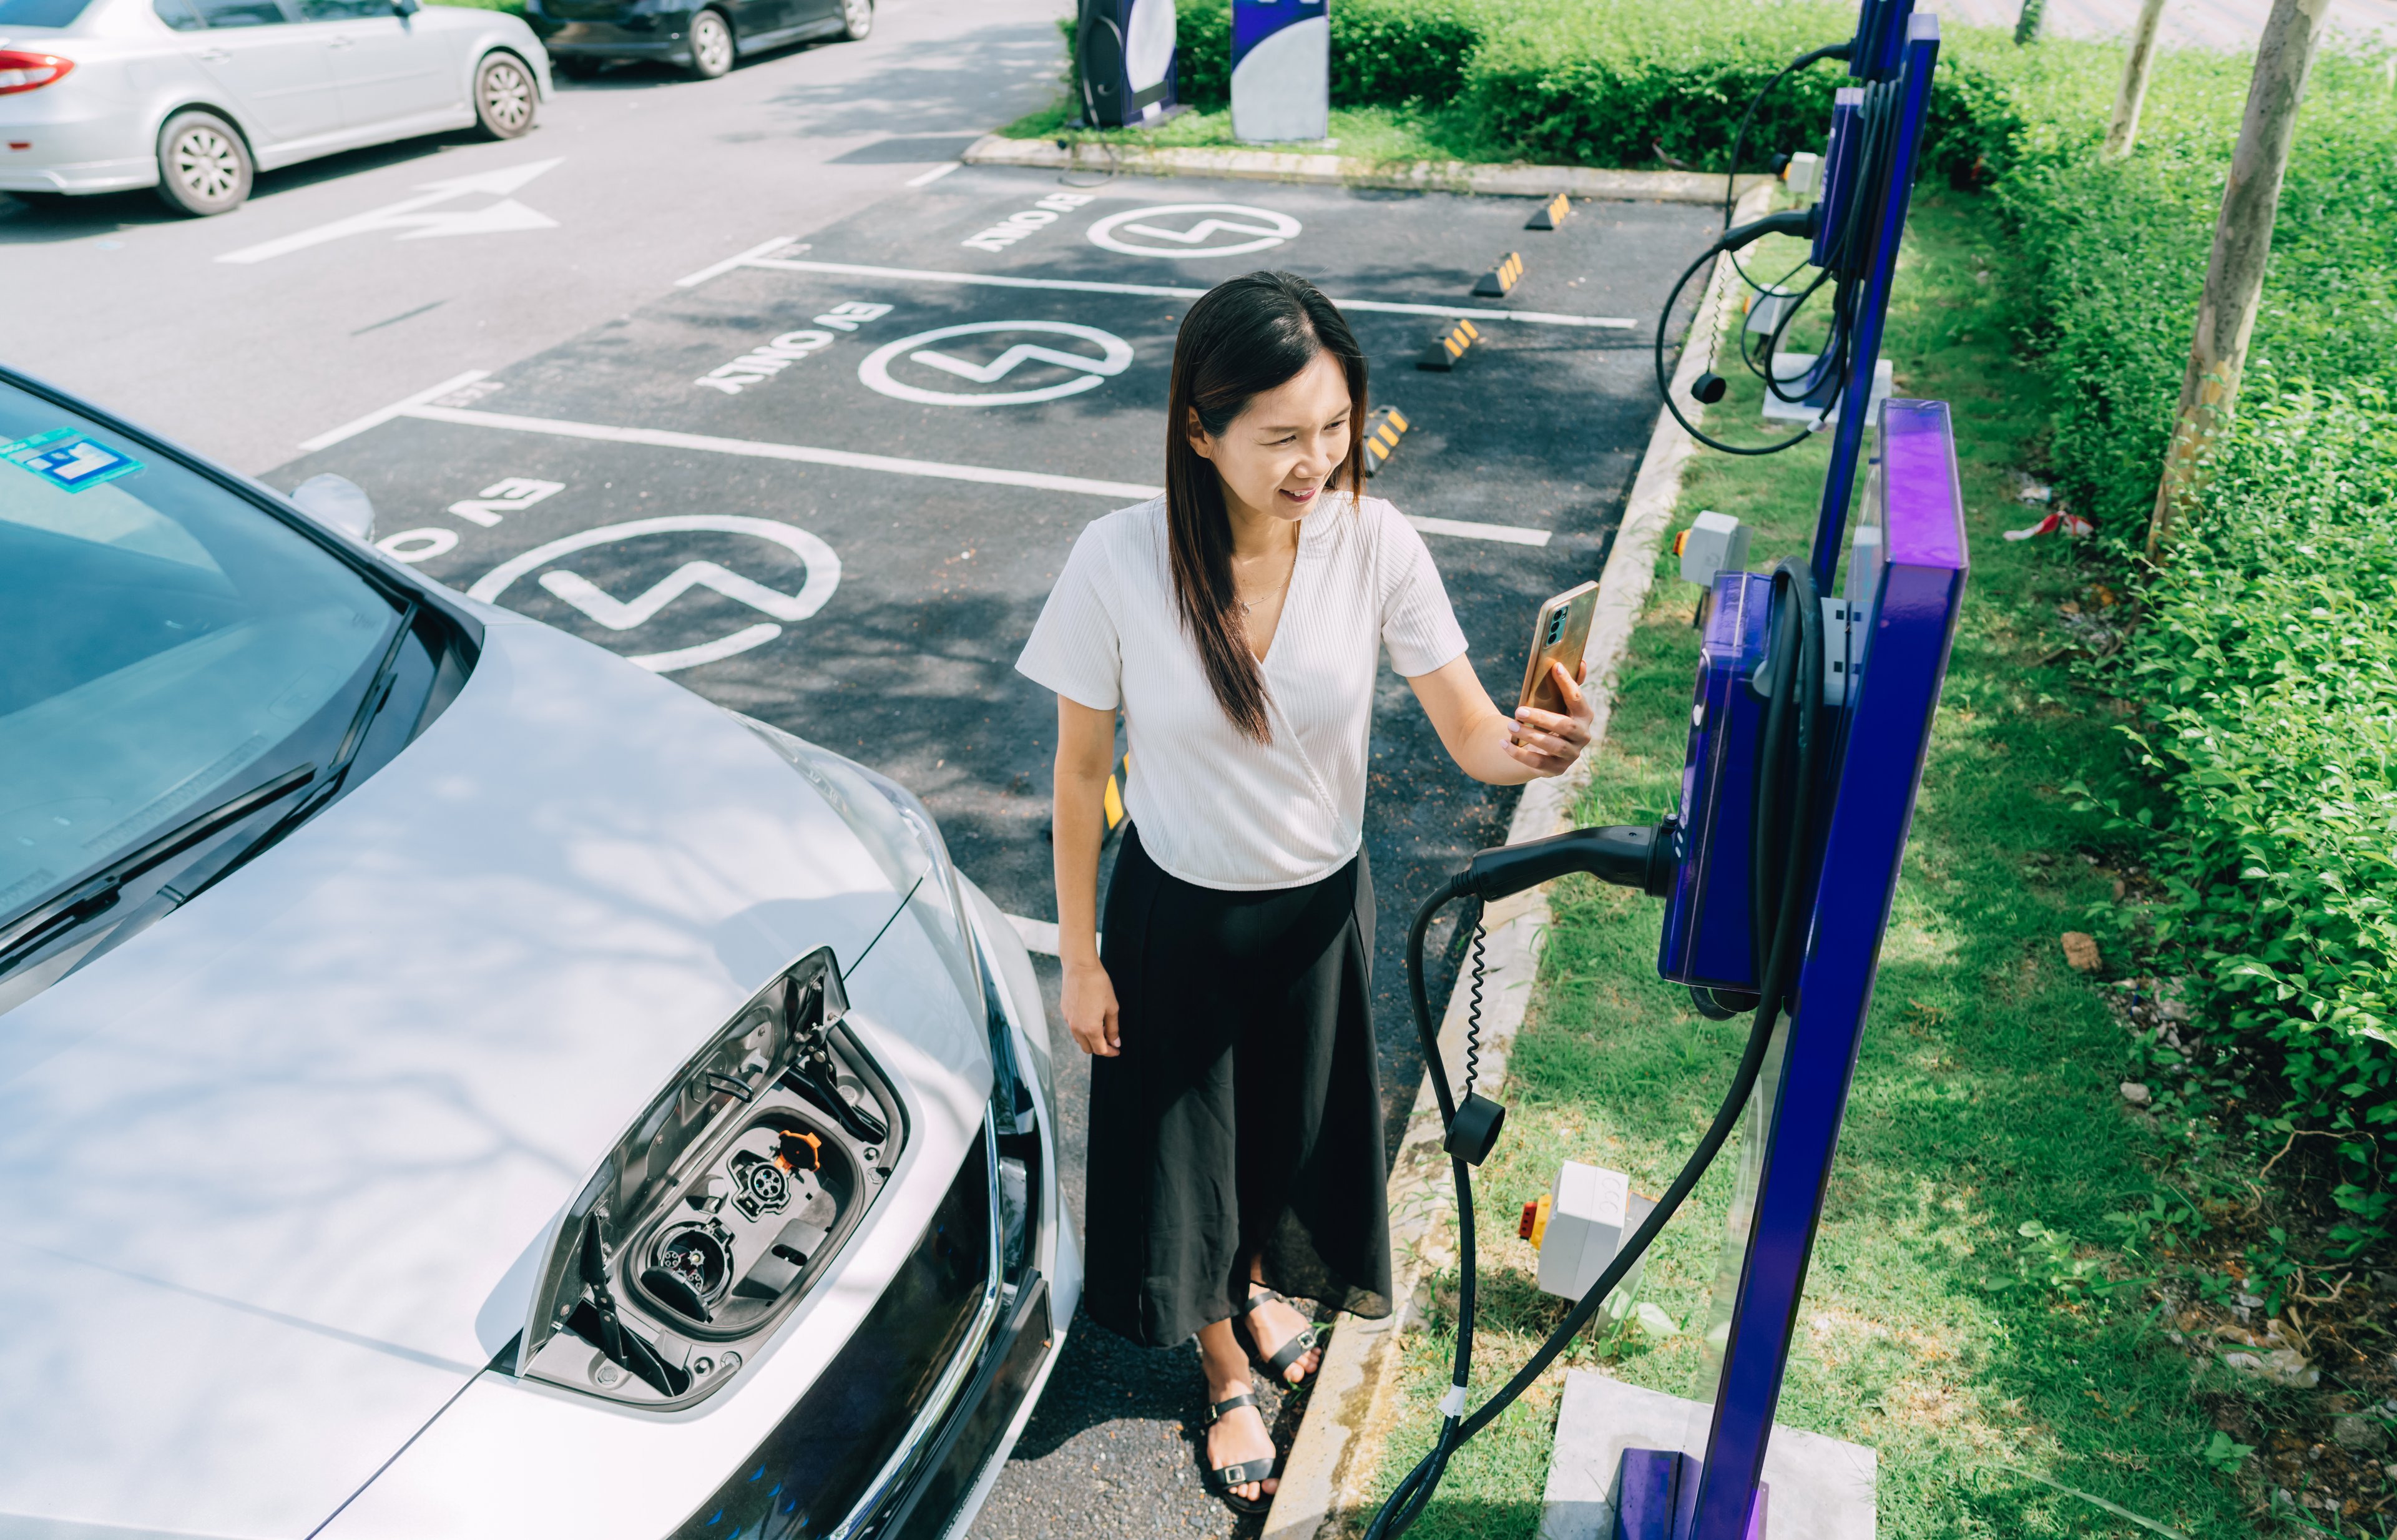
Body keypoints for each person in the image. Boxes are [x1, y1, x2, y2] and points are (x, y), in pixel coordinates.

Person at [1016, 270, 1593, 1514]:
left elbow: (1475, 737)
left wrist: (1543, 740)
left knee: (1282, 1139)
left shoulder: (1374, 542)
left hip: (1322, 908)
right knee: (1190, 1168)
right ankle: (1223, 1366)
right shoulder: (1117, 561)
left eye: (1333, 427)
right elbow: (1075, 777)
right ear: (1197, 430)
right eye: (1280, 436)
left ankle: (1263, 1287)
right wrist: (1080, 953)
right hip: (1176, 917)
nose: (1316, 460)